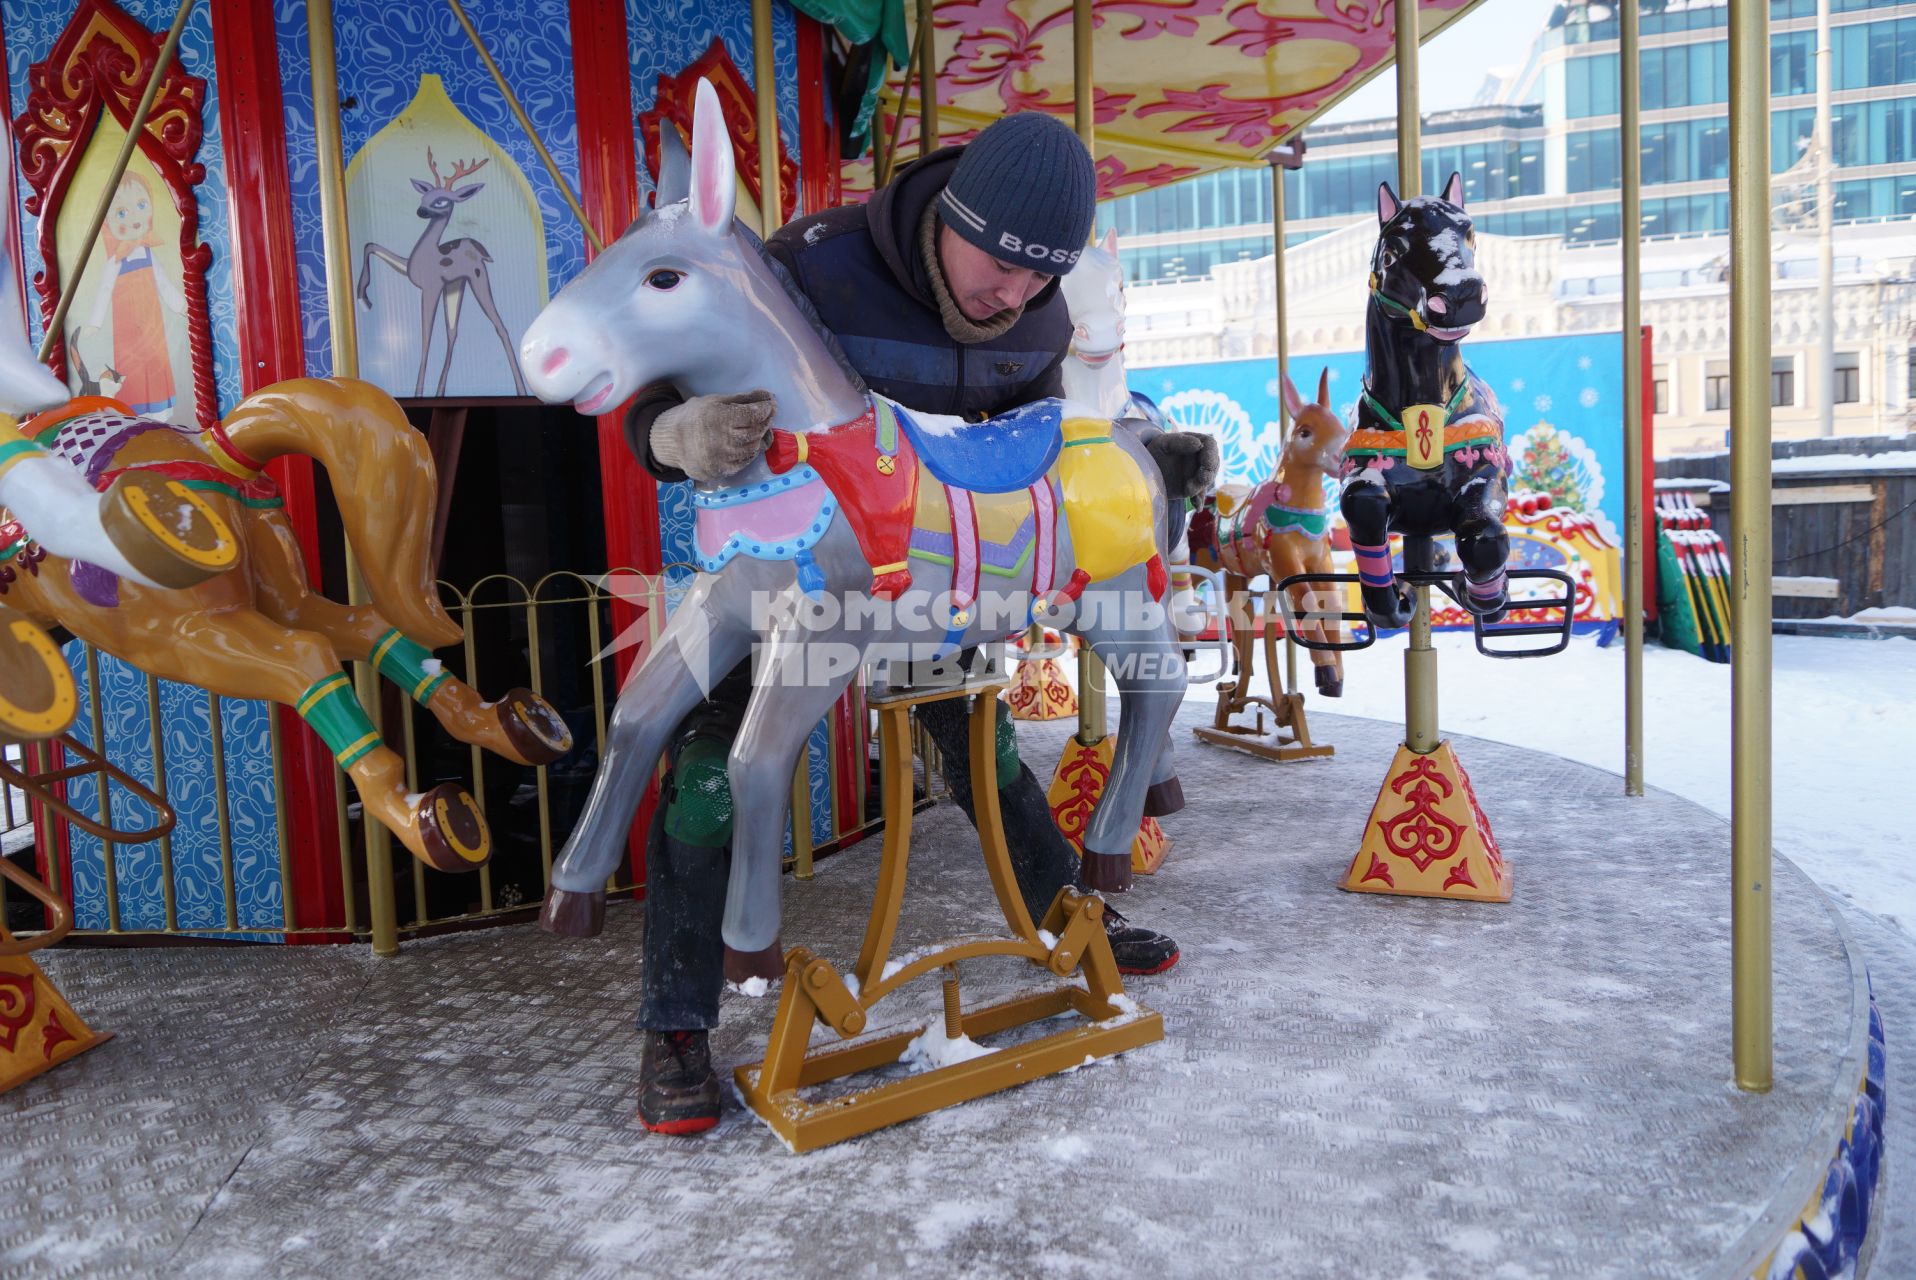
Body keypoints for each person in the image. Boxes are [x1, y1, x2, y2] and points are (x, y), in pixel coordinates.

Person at [623, 111, 1217, 1135]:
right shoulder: (816, 261)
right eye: (999, 265)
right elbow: (667, 362)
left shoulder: (1035, 315)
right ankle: (675, 1019)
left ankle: (1070, 916)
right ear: (950, 216)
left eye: (1043, 277)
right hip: (786, 566)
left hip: (930, 569)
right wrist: (667, 436)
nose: (1015, 295)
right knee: (709, 773)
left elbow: (1030, 447)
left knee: (983, 748)